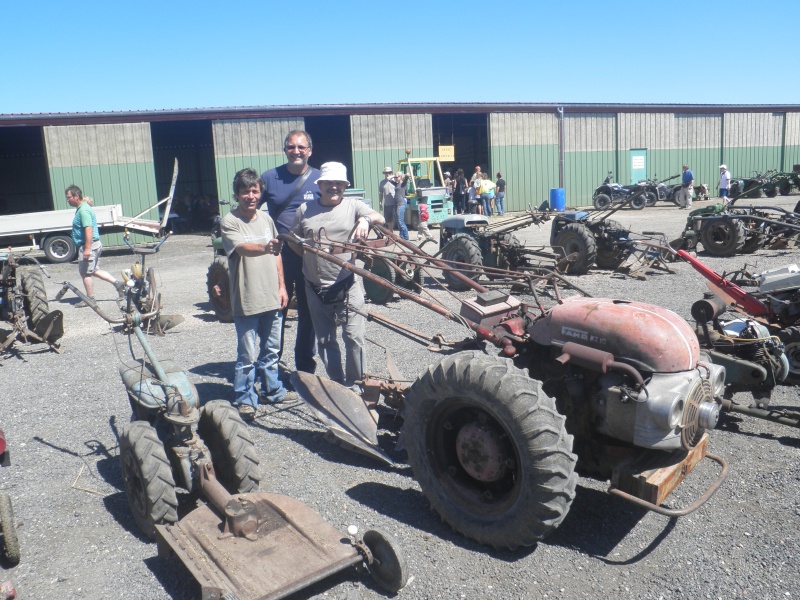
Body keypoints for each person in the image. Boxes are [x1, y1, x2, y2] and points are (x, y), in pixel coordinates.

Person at [291, 162, 385, 390]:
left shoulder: (353, 206)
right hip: (315, 287)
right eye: (329, 183)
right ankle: (337, 385)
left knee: (354, 337)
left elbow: (379, 217)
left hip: (347, 284)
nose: (334, 187)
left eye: (339, 184)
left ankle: (356, 385)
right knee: (325, 341)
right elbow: (295, 240)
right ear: (320, 185)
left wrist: (365, 219)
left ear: (345, 186)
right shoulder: (305, 210)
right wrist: (310, 258)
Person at [220, 168, 294, 421]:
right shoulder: (229, 221)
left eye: (255, 191)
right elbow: (242, 248)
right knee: (248, 356)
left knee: (272, 351)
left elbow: (277, 256)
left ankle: (273, 391)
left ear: (260, 193)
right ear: (237, 194)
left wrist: (282, 287)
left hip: (272, 296)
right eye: (245, 192)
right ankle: (245, 398)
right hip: (248, 298)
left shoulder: (266, 219)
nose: (250, 196)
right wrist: (265, 246)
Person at [260, 130, 319, 375]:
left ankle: (305, 369)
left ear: (309, 151)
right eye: (291, 147)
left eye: (301, 147)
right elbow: (251, 207)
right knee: (277, 312)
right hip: (280, 257)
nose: (296, 151)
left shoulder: (319, 178)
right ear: (285, 150)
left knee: (309, 314)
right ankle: (271, 370)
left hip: (309, 257)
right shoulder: (270, 177)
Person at [65, 185, 125, 307]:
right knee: (93, 270)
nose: (67, 200)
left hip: (89, 246)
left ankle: (90, 299)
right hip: (93, 245)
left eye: (68, 197)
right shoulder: (83, 208)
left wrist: (87, 248)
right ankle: (118, 284)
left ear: (76, 196)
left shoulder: (83, 210)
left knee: (85, 272)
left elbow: (88, 229)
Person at [392, 171, 410, 240]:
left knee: (401, 221)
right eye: (395, 177)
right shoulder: (396, 184)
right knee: (398, 221)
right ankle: (401, 236)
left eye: (397, 177)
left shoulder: (403, 184)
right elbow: (388, 179)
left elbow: (407, 177)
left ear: (400, 177)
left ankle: (406, 237)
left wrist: (405, 174)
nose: (396, 178)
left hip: (401, 204)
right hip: (395, 204)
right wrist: (394, 176)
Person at [378, 167, 396, 231]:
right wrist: (380, 202)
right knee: (388, 220)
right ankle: (391, 233)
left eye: (389, 172)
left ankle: (402, 236)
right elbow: (381, 193)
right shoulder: (382, 183)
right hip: (387, 204)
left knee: (398, 219)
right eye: (386, 173)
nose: (388, 174)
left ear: (391, 173)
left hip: (395, 203)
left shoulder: (395, 181)